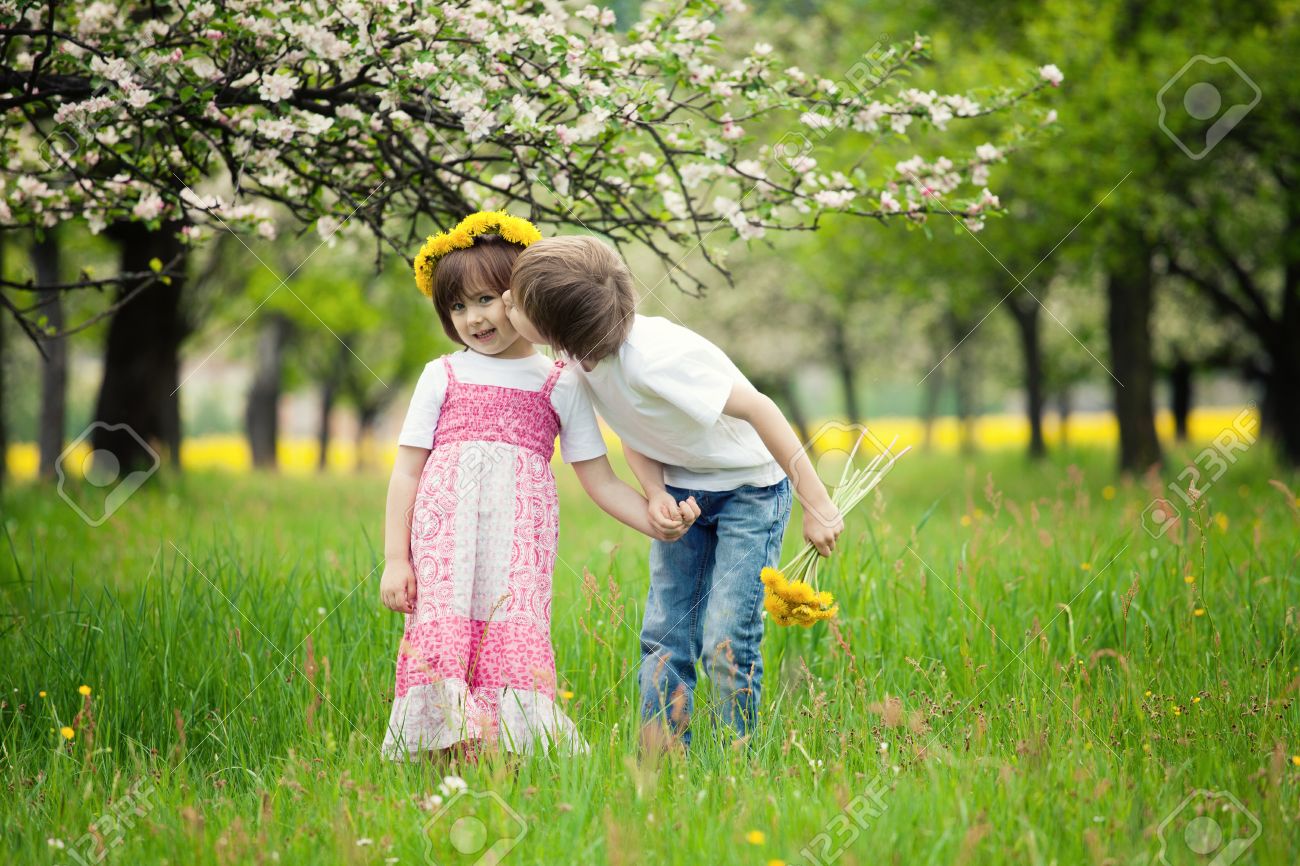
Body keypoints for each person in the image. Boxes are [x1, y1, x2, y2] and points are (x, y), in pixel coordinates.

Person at [378, 213, 699, 761]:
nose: (473, 318)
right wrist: (395, 559)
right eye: (456, 307)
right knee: (442, 634)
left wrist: (653, 517)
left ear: (519, 296)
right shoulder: (442, 375)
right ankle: (443, 754)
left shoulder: (560, 381)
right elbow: (407, 470)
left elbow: (599, 477)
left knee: (513, 632)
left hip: (518, 545)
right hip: (445, 544)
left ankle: (506, 751)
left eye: (485, 299)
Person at [502, 234, 843, 750]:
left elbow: (761, 408)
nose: (506, 301)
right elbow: (635, 427)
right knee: (665, 632)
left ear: (555, 329)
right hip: (685, 489)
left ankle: (736, 756)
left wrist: (817, 504)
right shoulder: (578, 364)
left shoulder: (657, 360)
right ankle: (662, 754)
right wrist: (654, 490)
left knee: (726, 638)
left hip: (750, 490)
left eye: (517, 302)